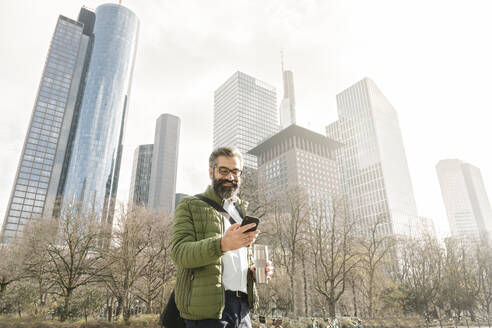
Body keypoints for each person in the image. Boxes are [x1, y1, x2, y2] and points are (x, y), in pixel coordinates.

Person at [171, 146, 274, 328]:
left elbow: (236, 262)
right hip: (208, 312)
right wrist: (222, 244)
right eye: (224, 171)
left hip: (243, 309)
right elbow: (179, 252)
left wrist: (255, 272)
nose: (230, 177)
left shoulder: (241, 213)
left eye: (235, 171)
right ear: (211, 172)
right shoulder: (190, 205)